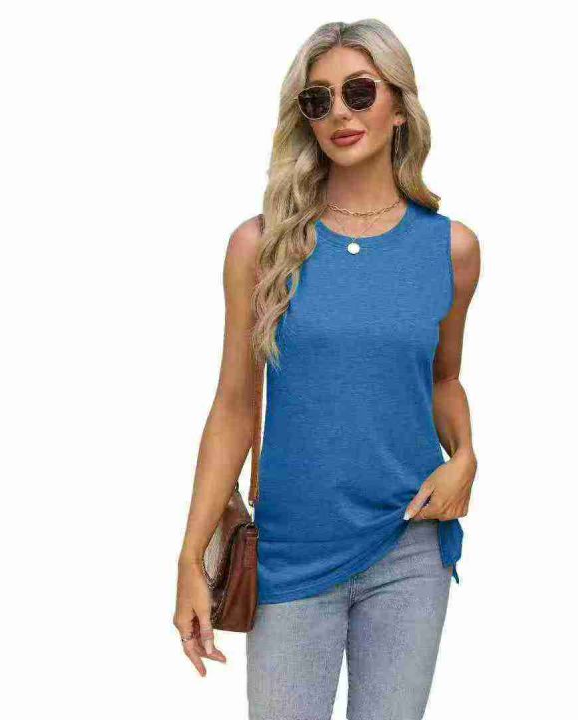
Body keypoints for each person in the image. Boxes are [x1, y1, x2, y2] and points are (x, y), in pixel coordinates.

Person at [174, 18, 481, 720]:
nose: (340, 112)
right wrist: (191, 556)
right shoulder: (262, 246)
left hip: (410, 545)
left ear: (398, 106)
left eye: (359, 92)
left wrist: (466, 455)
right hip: (292, 550)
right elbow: (234, 405)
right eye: (319, 100)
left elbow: (443, 379)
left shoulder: (451, 249)